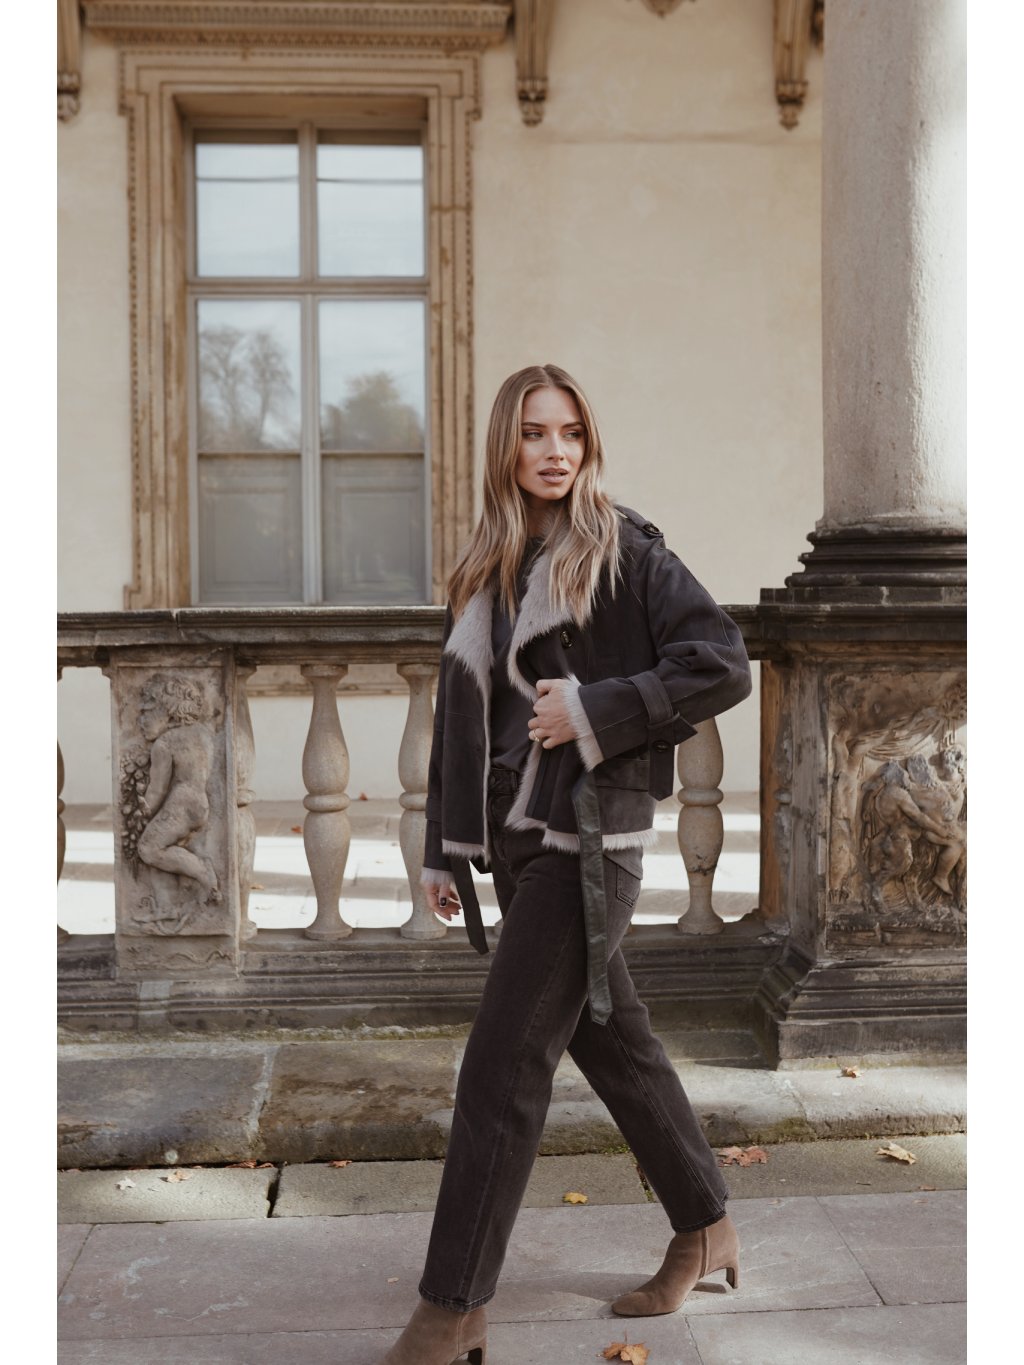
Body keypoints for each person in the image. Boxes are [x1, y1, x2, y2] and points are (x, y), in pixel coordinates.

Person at [380, 364, 752, 1365]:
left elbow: (720, 661)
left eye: (572, 433)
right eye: (535, 433)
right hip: (514, 841)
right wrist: (444, 845)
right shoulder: (486, 567)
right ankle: (705, 1223)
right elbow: (462, 715)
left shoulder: (622, 549)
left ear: (590, 445)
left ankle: (453, 1308)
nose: (555, 451)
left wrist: (594, 709)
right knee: (614, 1039)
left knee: (501, 1066)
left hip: (590, 841)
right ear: (505, 445)